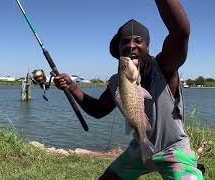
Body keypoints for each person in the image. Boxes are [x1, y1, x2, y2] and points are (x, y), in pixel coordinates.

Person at [53, 0, 203, 179]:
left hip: (173, 148)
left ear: (147, 46)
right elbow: (98, 110)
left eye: (138, 41)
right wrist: (72, 87)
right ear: (118, 50)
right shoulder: (117, 81)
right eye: (125, 42)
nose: (131, 45)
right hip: (140, 147)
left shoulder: (164, 66)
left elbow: (181, 32)